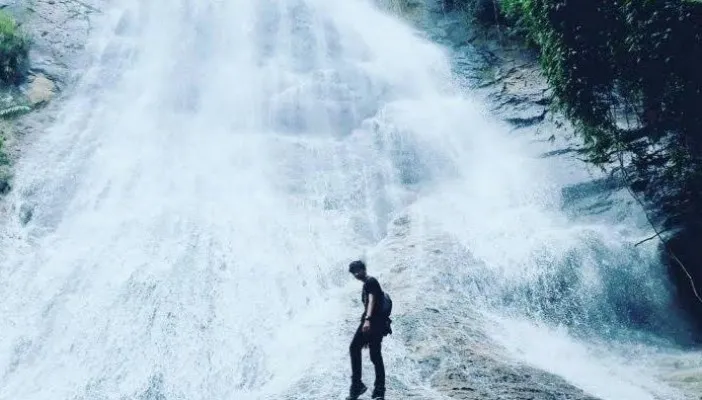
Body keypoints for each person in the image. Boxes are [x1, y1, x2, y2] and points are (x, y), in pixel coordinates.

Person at [346, 260, 386, 400]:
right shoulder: (368, 283)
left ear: (364, 269)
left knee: (354, 348)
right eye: (354, 272)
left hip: (372, 322)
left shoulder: (370, 282)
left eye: (359, 270)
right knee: (375, 356)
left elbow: (372, 299)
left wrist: (367, 319)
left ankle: (358, 386)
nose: (357, 274)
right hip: (378, 324)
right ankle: (379, 392)